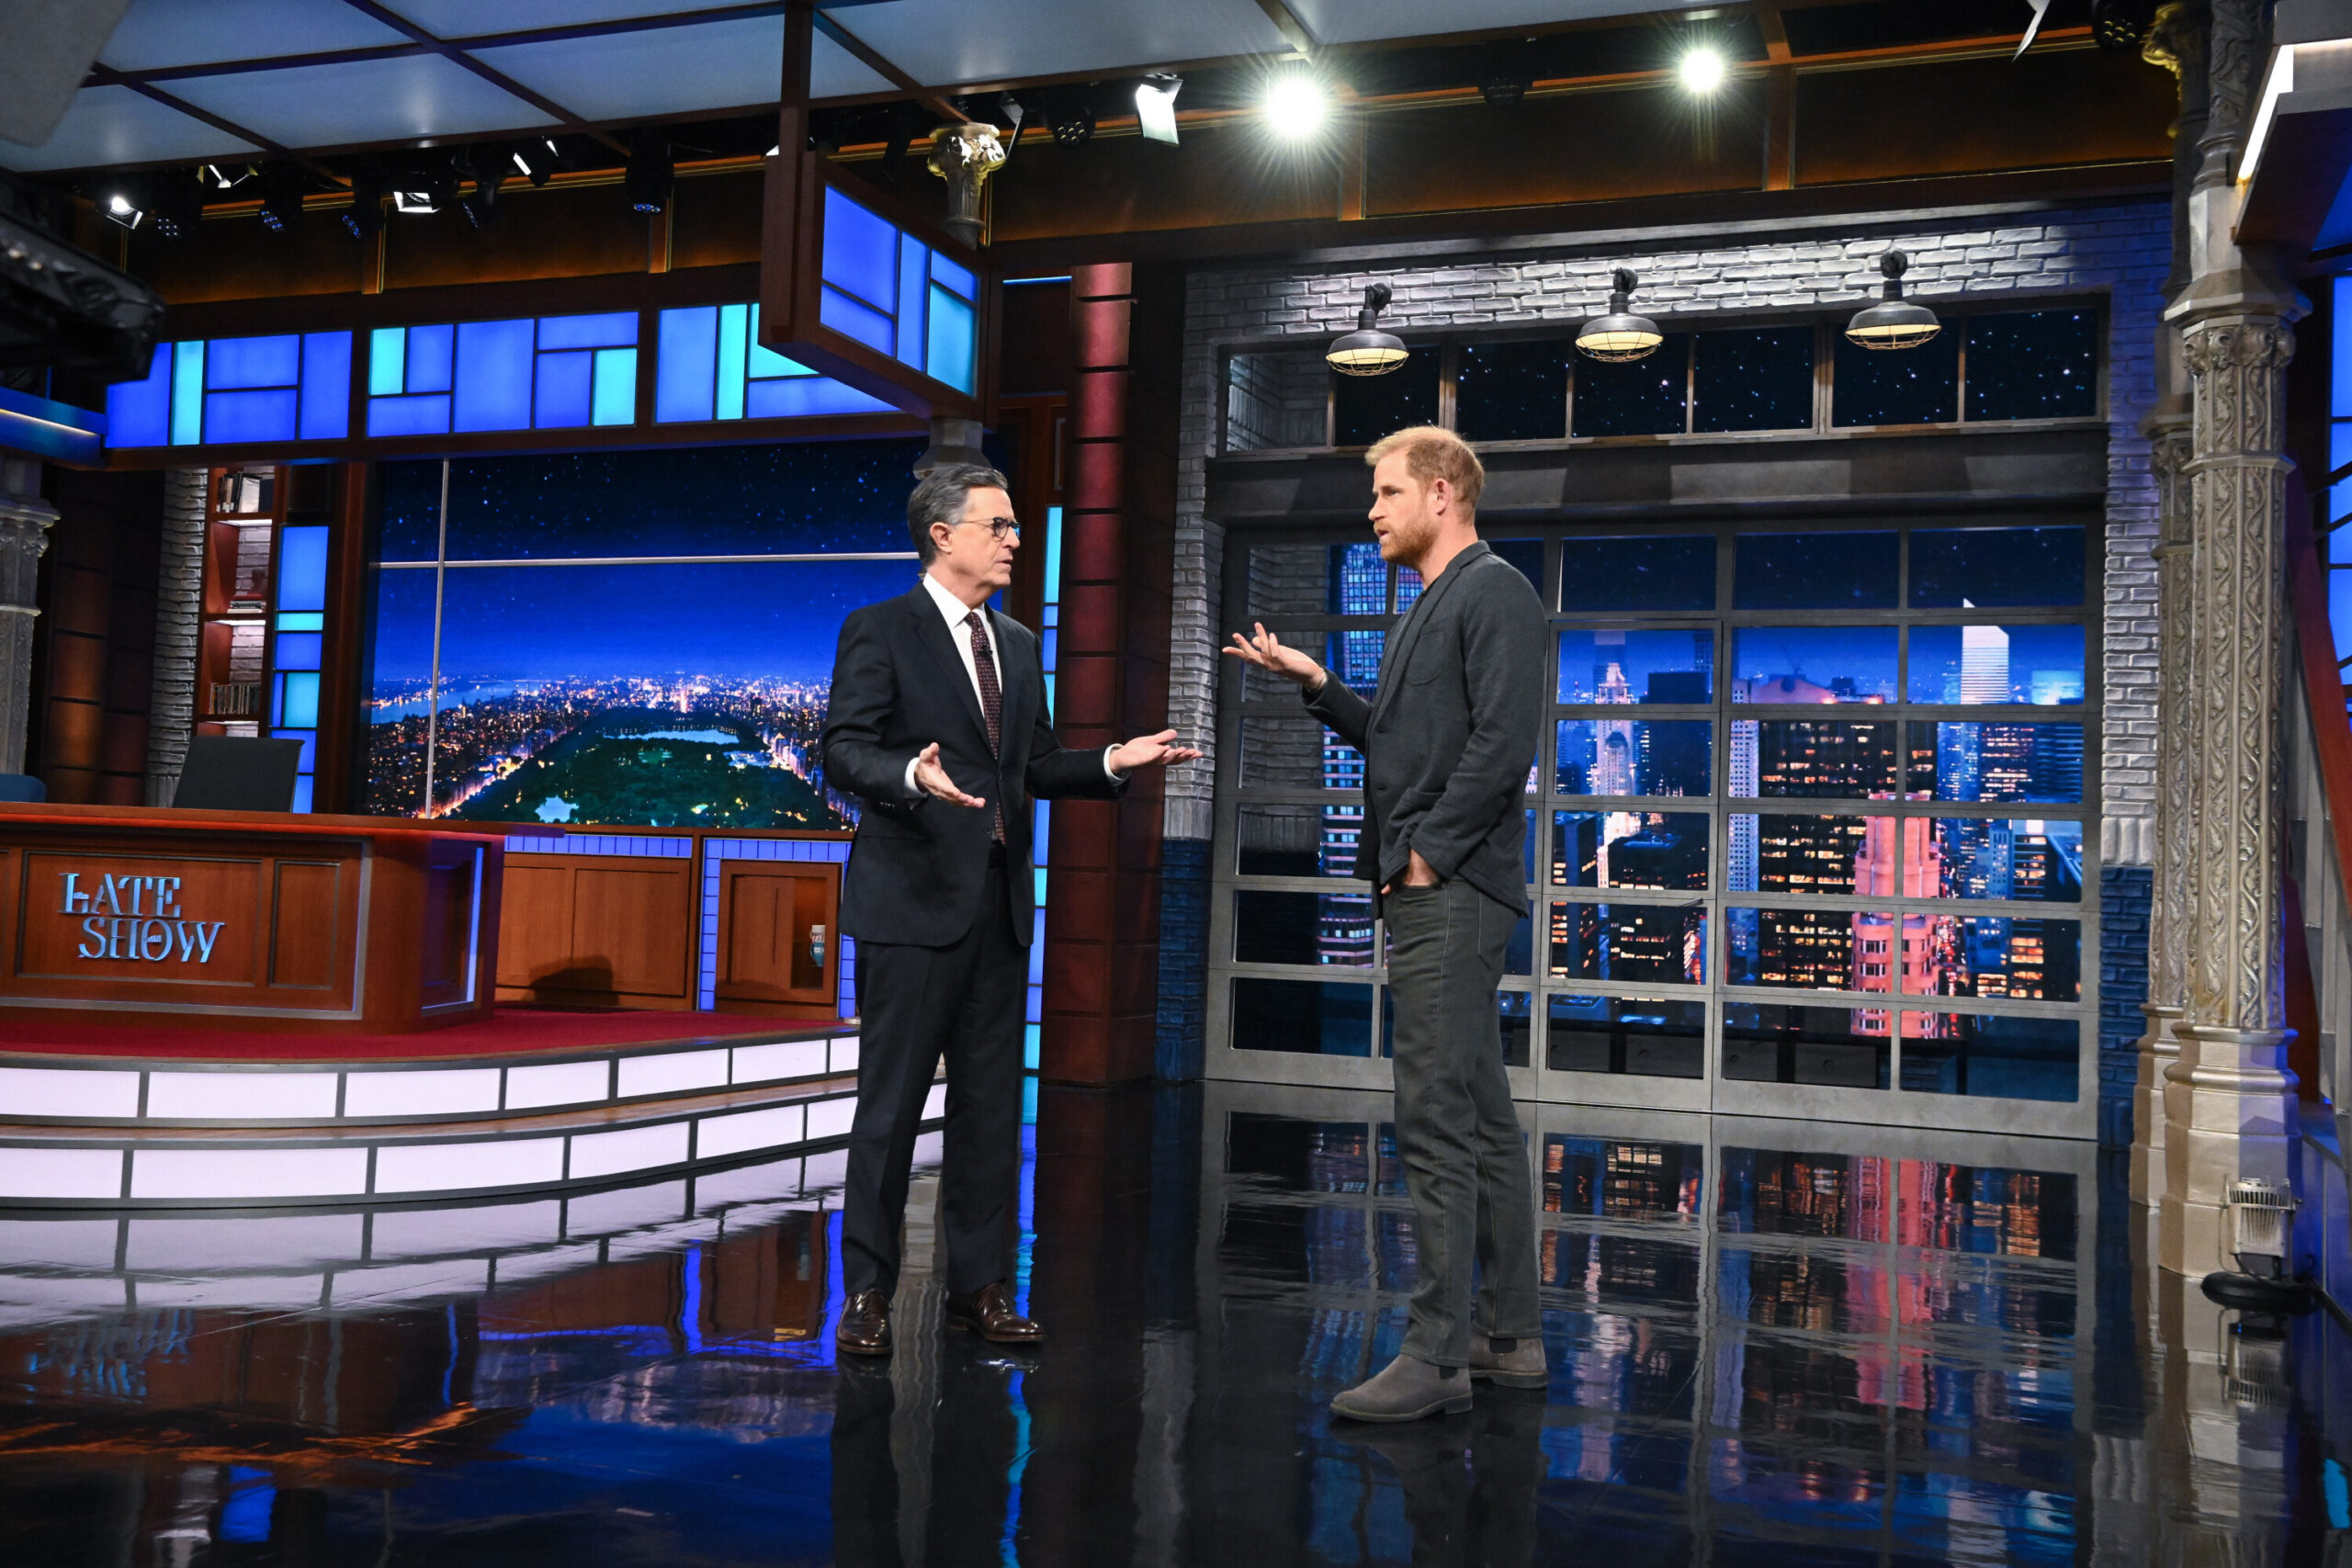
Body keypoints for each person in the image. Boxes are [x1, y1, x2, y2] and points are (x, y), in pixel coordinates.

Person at [821, 463, 1198, 1356]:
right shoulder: (880, 629)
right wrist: (909, 775)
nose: (1015, 540)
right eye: (998, 525)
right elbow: (842, 749)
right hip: (910, 907)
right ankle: (868, 1293)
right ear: (942, 535)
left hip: (995, 909)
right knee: (890, 1112)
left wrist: (1110, 760)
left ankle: (978, 1287)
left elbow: (1028, 766)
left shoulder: (1019, 644)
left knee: (991, 1110)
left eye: (1017, 526)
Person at [1224, 425, 1547, 1422]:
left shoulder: (1493, 592)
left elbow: (1503, 743)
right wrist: (1319, 685)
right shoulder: (1429, 605)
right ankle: (1510, 1337)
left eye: (1386, 491)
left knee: (1434, 1121)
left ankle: (1437, 1354)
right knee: (1483, 1121)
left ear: (1442, 493)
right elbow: (1404, 741)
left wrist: (1425, 853)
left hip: (1447, 892)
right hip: (1440, 887)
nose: (1371, 510)